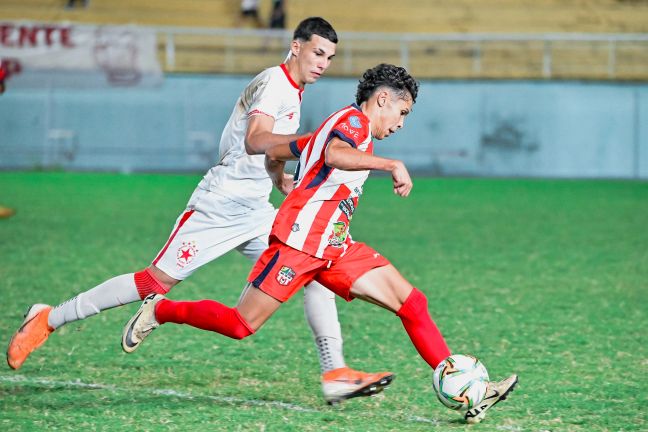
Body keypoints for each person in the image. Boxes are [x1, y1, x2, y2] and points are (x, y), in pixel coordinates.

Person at [7, 17, 394, 404]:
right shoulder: (276, 83)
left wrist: (277, 177)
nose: (323, 63)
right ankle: (48, 318)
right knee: (151, 283)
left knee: (315, 274)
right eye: (317, 52)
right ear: (296, 47)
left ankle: (335, 372)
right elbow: (257, 139)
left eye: (330, 57)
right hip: (221, 204)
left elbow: (267, 150)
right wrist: (316, 141)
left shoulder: (293, 91)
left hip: (257, 208)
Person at [122, 64, 518, 423]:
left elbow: (275, 148)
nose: (401, 123)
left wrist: (278, 173)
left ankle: (472, 391)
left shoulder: (339, 124)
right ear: (383, 99)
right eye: (402, 112)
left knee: (412, 303)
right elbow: (334, 153)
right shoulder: (353, 125)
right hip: (297, 243)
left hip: (335, 247)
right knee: (241, 324)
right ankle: (161, 310)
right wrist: (391, 165)